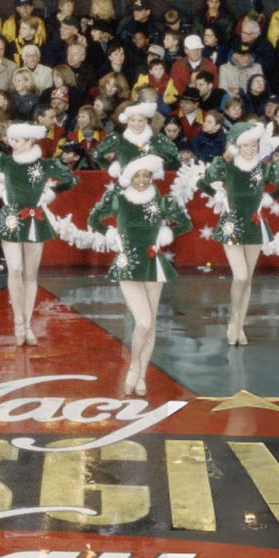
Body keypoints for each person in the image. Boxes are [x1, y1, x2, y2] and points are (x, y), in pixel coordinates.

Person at [87, 155, 193, 395]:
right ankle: (134, 367)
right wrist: (111, 234)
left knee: (151, 324)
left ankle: (142, 374)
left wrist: (165, 233)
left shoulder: (162, 201)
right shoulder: (118, 199)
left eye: (147, 175)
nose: (143, 180)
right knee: (142, 322)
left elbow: (186, 224)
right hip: (128, 264)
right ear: (129, 177)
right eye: (138, 176)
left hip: (153, 264)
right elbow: (94, 218)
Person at [0, 123, 78, 345]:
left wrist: (49, 192)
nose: (11, 143)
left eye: (17, 140)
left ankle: (27, 324)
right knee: (14, 269)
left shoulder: (43, 165)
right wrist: (0, 188)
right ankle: (18, 323)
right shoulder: (3, 161)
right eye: (11, 139)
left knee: (31, 275)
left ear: (30, 142)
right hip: (11, 218)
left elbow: (69, 179)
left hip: (35, 219)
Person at [199, 122, 279, 346]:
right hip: (231, 224)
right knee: (239, 276)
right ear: (237, 146)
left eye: (255, 144)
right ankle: (233, 320)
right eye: (247, 145)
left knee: (248, 278)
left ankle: (240, 325)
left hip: (254, 224)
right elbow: (203, 182)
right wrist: (218, 194)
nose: (251, 148)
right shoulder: (227, 165)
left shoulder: (265, 167)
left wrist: (270, 197)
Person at [93, 101, 181, 177]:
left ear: (146, 121)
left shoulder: (157, 140)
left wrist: (161, 169)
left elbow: (176, 159)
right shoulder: (117, 139)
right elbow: (96, 154)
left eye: (140, 121)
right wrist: (112, 167)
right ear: (127, 121)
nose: (136, 124)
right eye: (133, 120)